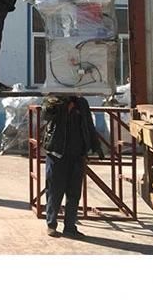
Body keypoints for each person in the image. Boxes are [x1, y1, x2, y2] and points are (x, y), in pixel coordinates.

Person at [42, 94, 103, 238]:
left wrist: (96, 145)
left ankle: (70, 227)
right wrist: (60, 103)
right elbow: (46, 114)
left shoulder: (82, 103)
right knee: (54, 191)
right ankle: (51, 224)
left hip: (77, 155)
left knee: (74, 193)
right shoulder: (53, 100)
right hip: (57, 155)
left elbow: (89, 125)